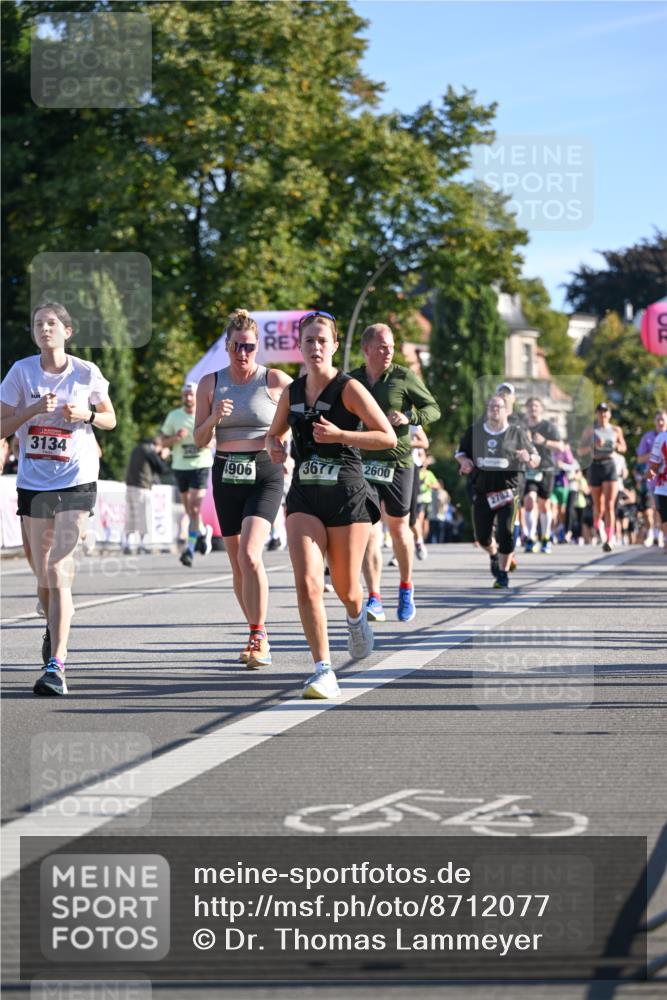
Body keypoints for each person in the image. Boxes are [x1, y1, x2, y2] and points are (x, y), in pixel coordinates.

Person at [267, 311, 396, 699]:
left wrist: (341, 434)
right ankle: (323, 669)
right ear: (300, 348)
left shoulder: (349, 388)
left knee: (344, 586)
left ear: (335, 345)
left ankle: (357, 617)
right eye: (309, 341)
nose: (316, 347)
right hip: (305, 495)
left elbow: (387, 437)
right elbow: (275, 435)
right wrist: (275, 448)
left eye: (323, 340)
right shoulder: (291, 392)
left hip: (347, 495)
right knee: (308, 583)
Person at [0, 301, 116, 695]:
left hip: (76, 480)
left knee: (59, 566)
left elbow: (110, 419)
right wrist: (31, 410)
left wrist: (84, 415)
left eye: (51, 323)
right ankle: (50, 618)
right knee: (42, 573)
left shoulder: (85, 373)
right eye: (37, 324)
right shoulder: (21, 372)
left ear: (67, 331)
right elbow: (0, 426)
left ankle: (57, 664)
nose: (44, 329)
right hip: (34, 482)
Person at [194, 309, 291, 669]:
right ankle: (253, 629)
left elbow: (297, 416)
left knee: (251, 555)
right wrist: (215, 417)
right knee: (236, 563)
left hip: (264, 473)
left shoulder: (276, 380)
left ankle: (259, 634)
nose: (243, 353)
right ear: (227, 346)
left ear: (257, 346)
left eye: (249, 347)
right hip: (225, 475)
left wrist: (285, 445)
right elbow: (200, 439)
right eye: (236, 346)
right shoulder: (210, 383)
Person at [349, 324, 440, 623]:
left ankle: (405, 586)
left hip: (399, 463)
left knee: (400, 528)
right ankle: (374, 596)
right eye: (382, 347)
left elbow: (433, 408)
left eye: (391, 346)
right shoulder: (354, 380)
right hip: (364, 464)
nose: (388, 351)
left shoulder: (403, 376)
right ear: (367, 349)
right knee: (369, 528)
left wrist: (410, 416)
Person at [455, 394, 539, 588]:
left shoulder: (517, 432)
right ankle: (494, 554)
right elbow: (460, 453)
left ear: (506, 411)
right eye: (491, 406)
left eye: (499, 407)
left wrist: (528, 458)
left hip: (509, 491)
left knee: (506, 533)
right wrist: (464, 462)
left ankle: (502, 574)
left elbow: (535, 459)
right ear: (487, 409)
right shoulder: (475, 432)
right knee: (483, 537)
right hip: (483, 491)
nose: (495, 409)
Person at [161, 382, 213, 567]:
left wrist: (207, 442)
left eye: (191, 394)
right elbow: (161, 443)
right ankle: (202, 531)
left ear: (197, 396)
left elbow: (215, 439)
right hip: (180, 466)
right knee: (189, 510)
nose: (189, 398)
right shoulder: (174, 416)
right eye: (186, 395)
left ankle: (189, 549)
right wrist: (175, 438)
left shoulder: (206, 414)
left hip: (200, 465)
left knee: (195, 507)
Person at [578, 402, 627, 552]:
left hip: (609, 465)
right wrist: (593, 446)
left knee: (610, 505)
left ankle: (609, 538)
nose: (603, 414)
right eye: (600, 411)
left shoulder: (615, 430)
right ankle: (598, 527)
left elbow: (623, 448)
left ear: (609, 414)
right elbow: (580, 450)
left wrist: (614, 446)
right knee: (598, 506)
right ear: (596, 414)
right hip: (595, 465)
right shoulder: (590, 430)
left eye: (605, 412)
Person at [522, 397, 562, 554]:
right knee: (529, 501)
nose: (533, 408)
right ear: (527, 408)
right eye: (531, 405)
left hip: (546, 469)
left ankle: (546, 537)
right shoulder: (522, 426)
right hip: (528, 469)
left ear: (541, 409)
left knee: (544, 505)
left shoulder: (548, 426)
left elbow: (560, 446)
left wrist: (544, 442)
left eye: (536, 406)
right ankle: (530, 537)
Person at [123, 436, 170, 554]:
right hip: (142, 487)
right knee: (143, 515)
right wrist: (163, 457)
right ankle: (142, 544)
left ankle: (128, 542)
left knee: (131, 515)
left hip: (130, 485)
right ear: (157, 445)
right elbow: (161, 468)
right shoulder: (149, 450)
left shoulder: (137, 448)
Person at [636, 410, 667, 548]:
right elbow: (642, 459)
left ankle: (660, 535)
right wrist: (655, 454)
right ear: (654, 422)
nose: (660, 422)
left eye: (663, 419)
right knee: (654, 509)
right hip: (656, 482)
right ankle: (656, 534)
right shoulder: (652, 438)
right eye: (658, 419)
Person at [647, 427, 667, 553]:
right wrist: (651, 471)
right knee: (665, 518)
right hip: (663, 486)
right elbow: (654, 464)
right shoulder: (661, 438)